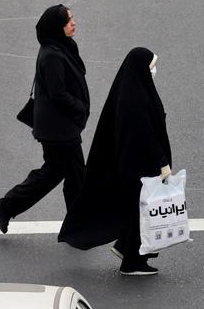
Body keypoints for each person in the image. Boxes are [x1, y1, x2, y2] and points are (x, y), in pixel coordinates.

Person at [58, 48, 170, 276]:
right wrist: (162, 163)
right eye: (151, 66)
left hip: (130, 165)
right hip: (138, 167)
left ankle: (124, 247)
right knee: (140, 212)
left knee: (134, 210)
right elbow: (145, 135)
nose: (153, 70)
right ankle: (132, 263)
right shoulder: (136, 99)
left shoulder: (130, 90)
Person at [0, 5, 89, 234]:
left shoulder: (59, 46)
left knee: (61, 173)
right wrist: (79, 108)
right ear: (57, 27)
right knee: (72, 174)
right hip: (59, 130)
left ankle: (75, 224)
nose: (73, 23)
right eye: (68, 21)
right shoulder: (53, 55)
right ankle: (77, 225)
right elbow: (58, 93)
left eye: (72, 18)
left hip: (58, 127)